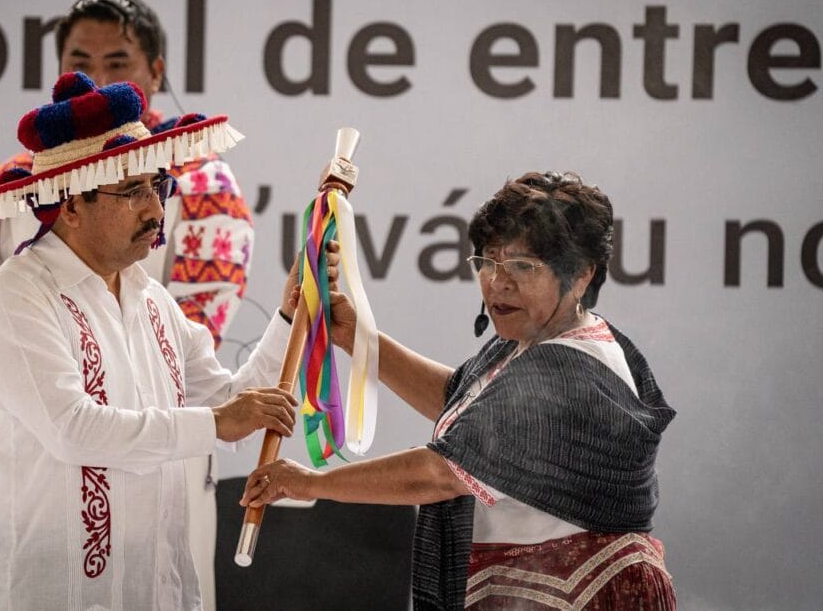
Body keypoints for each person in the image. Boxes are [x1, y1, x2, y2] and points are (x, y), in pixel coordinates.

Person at [0, 0, 253, 608]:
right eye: (83, 60)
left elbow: (206, 369)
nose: (154, 206)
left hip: (168, 433)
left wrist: (301, 317)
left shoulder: (185, 233)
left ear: (155, 73)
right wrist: (32, 372)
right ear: (70, 204)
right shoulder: (13, 196)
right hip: (54, 428)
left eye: (119, 62)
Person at [241, 172, 678, 609]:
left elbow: (441, 472)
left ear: (582, 275)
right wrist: (357, 337)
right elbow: (462, 401)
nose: (498, 283)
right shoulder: (534, 342)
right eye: (488, 262)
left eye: (523, 266)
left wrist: (311, 483)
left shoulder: (568, 372)